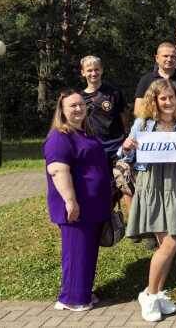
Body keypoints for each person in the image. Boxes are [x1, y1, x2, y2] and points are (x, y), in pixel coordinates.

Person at [120, 80, 176, 322]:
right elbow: (125, 156)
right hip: (151, 185)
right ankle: (151, 296)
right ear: (154, 100)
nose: (168, 102)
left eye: (172, 97)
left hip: (174, 185)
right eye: (163, 98)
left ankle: (156, 292)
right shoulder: (143, 124)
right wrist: (127, 147)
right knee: (169, 243)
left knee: (170, 244)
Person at [44, 89, 112, 311]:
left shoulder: (85, 133)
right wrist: (70, 201)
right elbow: (57, 170)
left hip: (92, 207)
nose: (78, 108)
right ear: (62, 110)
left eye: (81, 104)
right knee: (76, 253)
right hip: (76, 207)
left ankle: (83, 292)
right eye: (72, 105)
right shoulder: (60, 137)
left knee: (87, 252)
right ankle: (71, 299)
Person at [79, 56, 128, 165]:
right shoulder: (80, 98)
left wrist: (125, 135)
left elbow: (124, 115)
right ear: (83, 73)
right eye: (89, 70)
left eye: (96, 69)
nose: (93, 73)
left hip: (115, 147)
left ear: (101, 70)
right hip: (93, 147)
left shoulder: (114, 92)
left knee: (118, 176)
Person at [135, 42, 176, 118]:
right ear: (157, 58)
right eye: (165, 56)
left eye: (173, 56)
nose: (169, 59)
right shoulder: (146, 80)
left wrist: (174, 122)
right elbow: (138, 108)